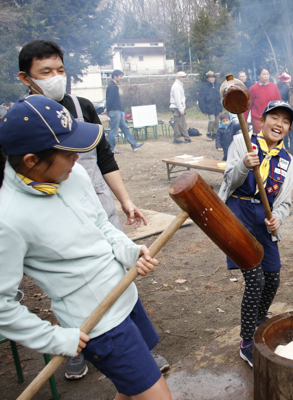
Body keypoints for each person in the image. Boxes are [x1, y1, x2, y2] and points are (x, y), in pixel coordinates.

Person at [0, 95, 171, 400]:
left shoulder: (72, 174)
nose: (78, 158)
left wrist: (128, 251)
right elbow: (2, 305)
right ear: (31, 161)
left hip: (125, 295)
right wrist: (52, 338)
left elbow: (102, 226)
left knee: (133, 390)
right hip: (100, 324)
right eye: (66, 151)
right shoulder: (8, 219)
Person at [17, 39, 166, 379]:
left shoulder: (82, 106)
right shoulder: (21, 120)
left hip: (95, 197)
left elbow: (103, 157)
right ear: (26, 78)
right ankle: (77, 345)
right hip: (53, 211)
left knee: (117, 270)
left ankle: (139, 351)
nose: (56, 77)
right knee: (73, 280)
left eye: (60, 70)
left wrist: (125, 201)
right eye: (46, 72)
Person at [218, 101, 293, 367]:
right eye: (274, 118)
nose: (279, 124)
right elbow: (228, 182)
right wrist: (244, 164)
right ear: (262, 120)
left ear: (288, 129)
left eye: (285, 121)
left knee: (273, 277)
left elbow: (285, 203)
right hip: (238, 215)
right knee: (255, 280)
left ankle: (258, 318)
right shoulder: (242, 143)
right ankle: (246, 341)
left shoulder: (290, 163)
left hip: (264, 222)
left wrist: (278, 218)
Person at [106, 70, 143, 154]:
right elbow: (109, 99)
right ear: (115, 76)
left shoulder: (114, 86)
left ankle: (134, 144)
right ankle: (110, 148)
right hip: (115, 111)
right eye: (120, 76)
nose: (121, 78)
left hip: (117, 111)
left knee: (125, 128)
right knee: (114, 131)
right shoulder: (112, 86)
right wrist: (108, 110)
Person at [244, 67, 281, 135]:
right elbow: (247, 106)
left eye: (267, 74)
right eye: (263, 74)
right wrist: (244, 121)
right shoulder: (253, 88)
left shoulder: (274, 86)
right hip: (258, 120)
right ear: (258, 76)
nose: (266, 76)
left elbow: (279, 103)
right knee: (262, 140)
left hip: (272, 119)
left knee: (273, 139)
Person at [197, 71, 222, 141]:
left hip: (217, 107)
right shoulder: (204, 87)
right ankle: (209, 133)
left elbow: (221, 96)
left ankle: (215, 133)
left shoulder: (218, 86)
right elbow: (201, 99)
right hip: (209, 107)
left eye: (213, 77)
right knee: (212, 120)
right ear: (207, 78)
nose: (212, 79)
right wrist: (203, 110)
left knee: (217, 122)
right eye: (210, 77)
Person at [170, 71, 191, 144]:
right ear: (178, 78)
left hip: (179, 107)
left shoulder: (179, 85)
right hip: (176, 107)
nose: (184, 78)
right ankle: (176, 139)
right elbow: (177, 99)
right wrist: (180, 109)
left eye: (185, 77)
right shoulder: (176, 86)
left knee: (183, 123)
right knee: (178, 124)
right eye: (183, 77)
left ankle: (186, 137)